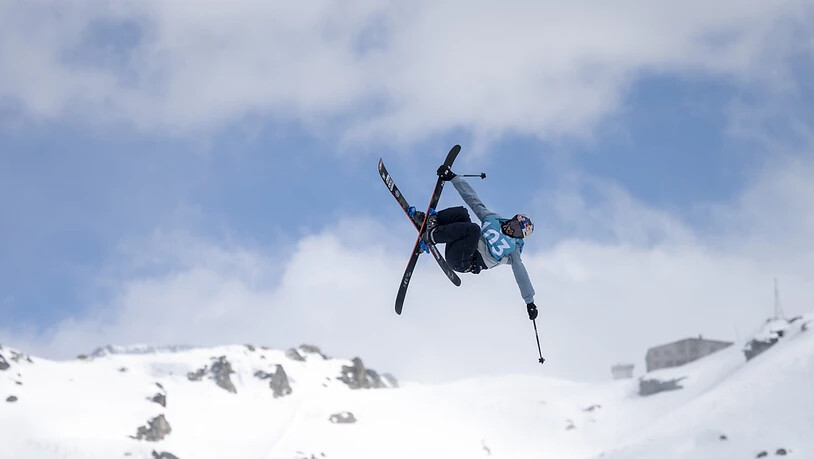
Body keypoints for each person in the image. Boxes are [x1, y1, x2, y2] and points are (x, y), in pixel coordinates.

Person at [411, 164, 538, 321]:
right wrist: (453, 178)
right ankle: (430, 222)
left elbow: (521, 274)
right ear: (512, 219)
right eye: (513, 225)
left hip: (464, 262)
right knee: (463, 212)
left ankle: (433, 236)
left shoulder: (513, 249)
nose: (512, 231)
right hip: (459, 245)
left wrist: (529, 302)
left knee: (474, 229)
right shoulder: (492, 219)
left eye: (517, 232)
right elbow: (473, 200)